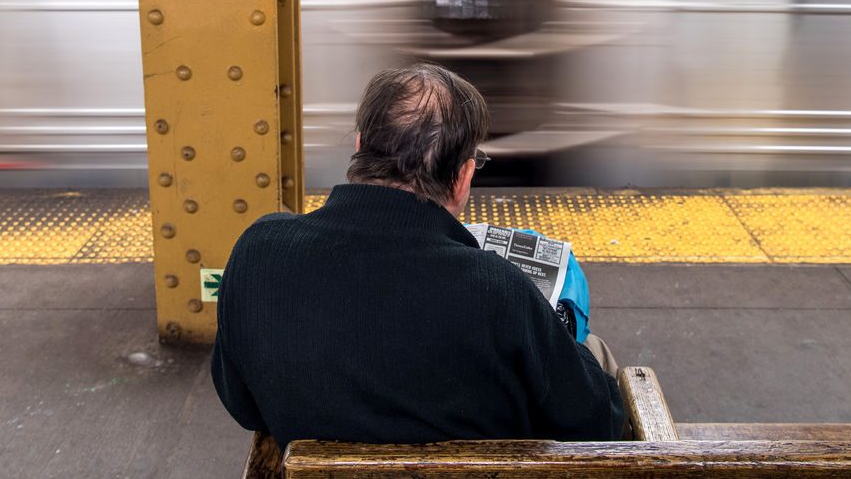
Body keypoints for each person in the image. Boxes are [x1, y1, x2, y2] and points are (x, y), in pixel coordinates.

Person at [211, 63, 624, 451]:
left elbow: (242, 404)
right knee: (594, 352)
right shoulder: (498, 290)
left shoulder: (257, 252)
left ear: (358, 149)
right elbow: (596, 423)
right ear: (462, 178)